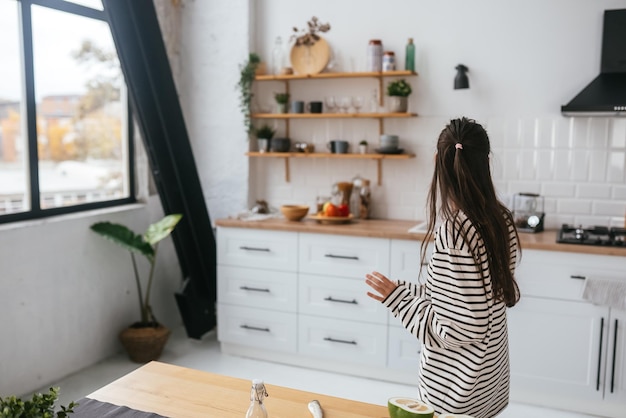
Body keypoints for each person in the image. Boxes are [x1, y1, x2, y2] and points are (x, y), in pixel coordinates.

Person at [365, 117, 520, 418]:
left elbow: (454, 329)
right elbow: (468, 300)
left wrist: (397, 301)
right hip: (489, 382)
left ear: (437, 161)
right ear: (486, 161)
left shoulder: (454, 233)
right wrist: (403, 290)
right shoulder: (501, 219)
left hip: (455, 392)